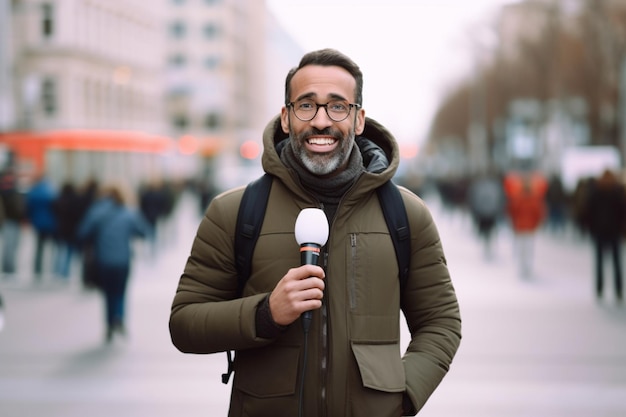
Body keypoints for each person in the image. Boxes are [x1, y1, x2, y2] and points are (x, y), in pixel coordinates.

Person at [169, 49, 461, 417]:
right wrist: (265, 313)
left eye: (337, 107)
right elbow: (184, 322)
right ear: (286, 118)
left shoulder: (406, 215)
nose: (321, 121)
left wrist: (401, 399)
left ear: (358, 120)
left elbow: (441, 322)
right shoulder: (234, 212)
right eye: (306, 106)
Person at [76, 184, 153, 343]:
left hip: (103, 259)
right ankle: (120, 318)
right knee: (121, 291)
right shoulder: (129, 212)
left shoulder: (96, 211)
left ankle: (109, 323)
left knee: (108, 293)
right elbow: (144, 231)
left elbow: (82, 232)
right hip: (123, 260)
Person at [583, 169, 626, 302]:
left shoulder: (611, 192)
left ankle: (611, 289)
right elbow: (589, 211)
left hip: (608, 231)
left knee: (611, 262)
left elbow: (622, 213)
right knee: (606, 262)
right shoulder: (608, 192)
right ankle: (606, 289)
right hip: (605, 231)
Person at [503, 169, 548, 278]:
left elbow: (512, 211)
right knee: (527, 248)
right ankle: (526, 267)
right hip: (527, 227)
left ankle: (524, 267)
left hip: (521, 227)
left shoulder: (519, 197)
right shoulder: (532, 198)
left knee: (524, 248)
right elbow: (539, 213)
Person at [25, 173, 59, 280]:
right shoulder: (51, 191)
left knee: (39, 248)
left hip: (38, 223)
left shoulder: (33, 191)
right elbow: (56, 207)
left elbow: (28, 207)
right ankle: (53, 270)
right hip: (50, 223)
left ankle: (37, 270)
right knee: (52, 248)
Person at [467, 170, 505, 260]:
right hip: (488, 212)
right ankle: (487, 245)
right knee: (488, 230)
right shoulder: (494, 186)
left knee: (487, 230)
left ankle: (487, 245)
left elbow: (473, 198)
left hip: (486, 212)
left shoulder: (480, 185)